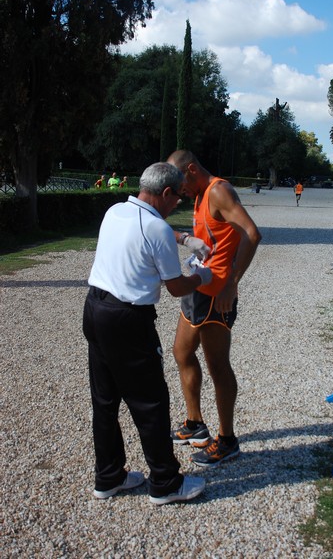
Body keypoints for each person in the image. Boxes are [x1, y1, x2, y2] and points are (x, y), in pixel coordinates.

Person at [83, 162, 213, 504]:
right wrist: (202, 276)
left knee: (105, 399)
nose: (178, 205)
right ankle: (165, 483)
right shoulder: (155, 228)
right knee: (151, 402)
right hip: (127, 320)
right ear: (166, 192)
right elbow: (175, 287)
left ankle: (108, 476)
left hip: (94, 308)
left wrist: (185, 238)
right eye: (177, 199)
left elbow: (155, 227)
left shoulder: (115, 211)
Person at [167, 149, 261, 467]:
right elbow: (214, 236)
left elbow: (252, 233)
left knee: (218, 366)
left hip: (216, 295)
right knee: (181, 352)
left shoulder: (219, 191)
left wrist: (232, 283)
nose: (180, 192)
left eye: (181, 184)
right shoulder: (200, 192)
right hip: (198, 287)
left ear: (191, 170)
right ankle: (196, 425)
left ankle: (227, 440)